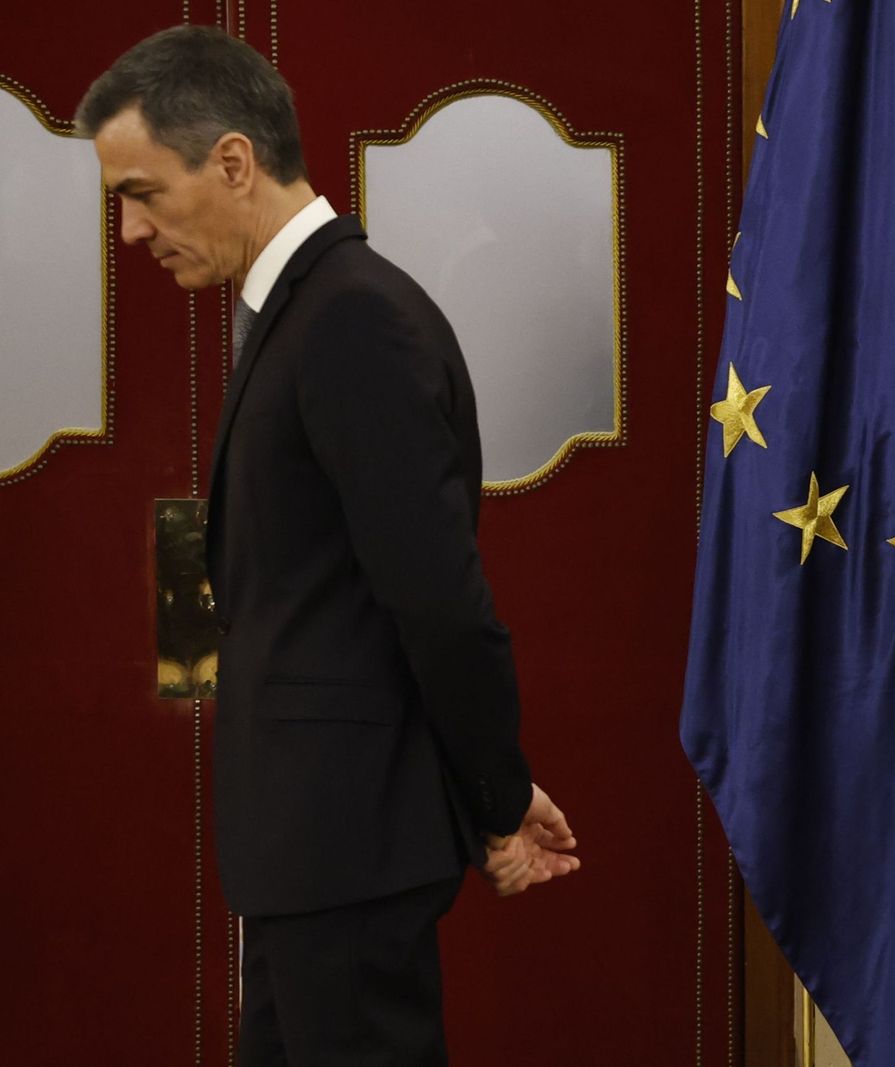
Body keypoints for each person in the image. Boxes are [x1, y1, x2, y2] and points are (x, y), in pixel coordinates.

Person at [78, 26, 580, 1064]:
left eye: (141, 192)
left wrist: (496, 791)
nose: (129, 232)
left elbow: (437, 595)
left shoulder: (352, 319)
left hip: (345, 852)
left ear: (231, 160)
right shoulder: (302, 312)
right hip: (311, 857)